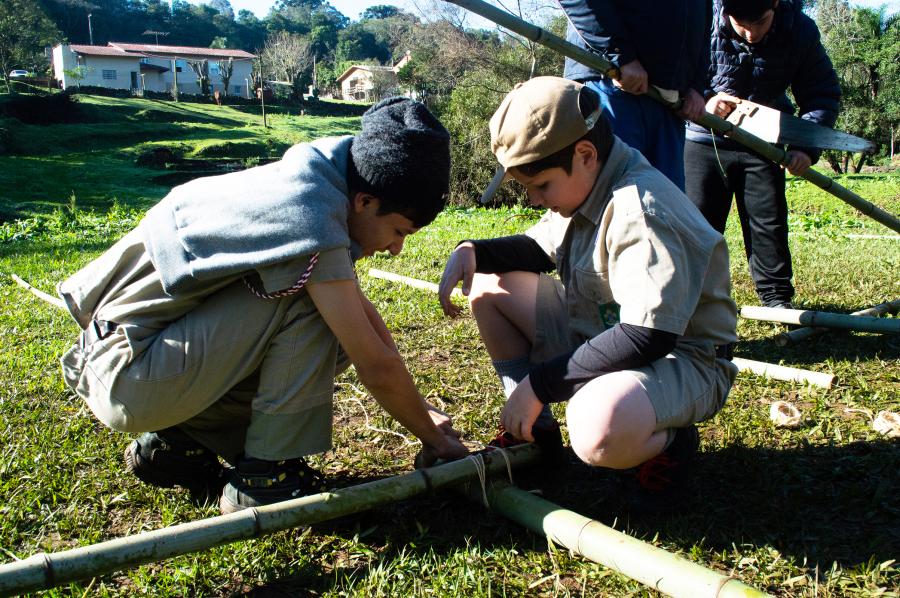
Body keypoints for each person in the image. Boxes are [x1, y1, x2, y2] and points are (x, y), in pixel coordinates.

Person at [58, 97, 469, 514]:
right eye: (399, 231)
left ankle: (181, 443)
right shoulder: (309, 215)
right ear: (365, 201)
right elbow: (374, 362)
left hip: (132, 354)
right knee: (315, 306)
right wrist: (431, 437)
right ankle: (266, 475)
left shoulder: (324, 174)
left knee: (334, 319)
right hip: (129, 372)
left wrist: (424, 410)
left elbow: (364, 315)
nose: (396, 249)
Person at [438, 77, 738, 505]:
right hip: (602, 326)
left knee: (596, 427)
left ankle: (670, 446)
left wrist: (539, 385)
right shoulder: (587, 181)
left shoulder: (641, 208)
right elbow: (537, 248)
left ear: (584, 154)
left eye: (541, 186)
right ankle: (535, 437)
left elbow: (647, 335)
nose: (536, 200)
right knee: (488, 285)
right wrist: (473, 251)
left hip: (683, 357)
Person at [684, 0, 840, 309]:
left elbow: (821, 93)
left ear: (776, 6)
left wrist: (805, 146)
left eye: (761, 23)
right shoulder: (699, 21)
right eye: (742, 25)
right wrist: (704, 102)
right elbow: (678, 72)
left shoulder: (800, 31)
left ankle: (776, 300)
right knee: (697, 225)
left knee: (768, 225)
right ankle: (691, 300)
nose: (751, 34)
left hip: (764, 145)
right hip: (702, 141)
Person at [558, 0, 710, 190]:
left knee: (670, 202)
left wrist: (697, 84)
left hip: (671, 100)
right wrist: (620, 54)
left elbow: (705, 15)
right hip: (612, 82)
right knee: (615, 193)